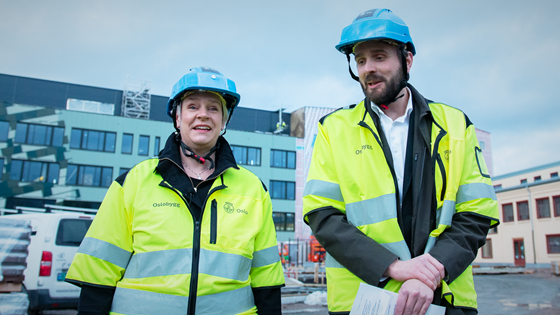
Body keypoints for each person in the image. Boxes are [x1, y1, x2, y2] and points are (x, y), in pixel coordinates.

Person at [302, 8, 499, 315]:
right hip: (364, 301)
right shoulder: (333, 130)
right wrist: (393, 267)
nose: (368, 68)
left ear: (407, 61)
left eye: (379, 57)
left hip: (442, 298)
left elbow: (476, 213)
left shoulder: (456, 125)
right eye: (361, 60)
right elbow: (322, 215)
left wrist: (431, 273)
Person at [66, 66, 285, 315]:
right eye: (192, 106)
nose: (203, 115)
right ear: (177, 118)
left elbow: (266, 278)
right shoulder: (134, 183)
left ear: (224, 120)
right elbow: (98, 272)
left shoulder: (253, 190)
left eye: (213, 108)